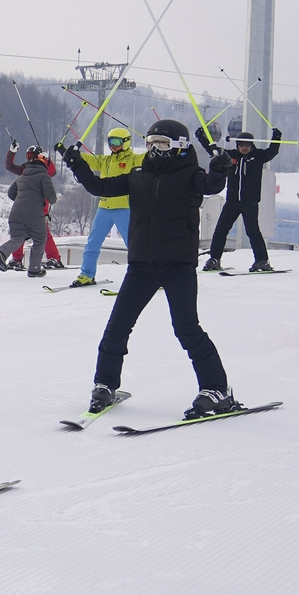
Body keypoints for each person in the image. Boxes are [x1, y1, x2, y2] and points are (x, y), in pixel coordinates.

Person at [61, 121, 245, 419]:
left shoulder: (191, 175)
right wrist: (77, 165)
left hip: (178, 266)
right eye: (151, 144)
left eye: (161, 144)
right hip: (141, 266)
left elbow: (212, 186)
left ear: (179, 146)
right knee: (117, 327)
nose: (155, 150)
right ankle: (105, 384)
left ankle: (216, 390)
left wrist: (221, 168)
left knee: (187, 329)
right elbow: (100, 187)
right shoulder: (138, 175)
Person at [202, 127, 282, 273]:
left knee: (252, 231)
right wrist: (202, 137)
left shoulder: (258, 156)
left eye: (247, 145)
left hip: (249, 202)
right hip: (232, 201)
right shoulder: (230, 156)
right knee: (220, 230)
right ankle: (214, 259)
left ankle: (262, 260)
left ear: (252, 145)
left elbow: (272, 151)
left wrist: (276, 137)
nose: (244, 148)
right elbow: (213, 150)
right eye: (241, 145)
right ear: (237, 145)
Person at [73, 127, 140, 287]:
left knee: (134, 244)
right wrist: (71, 154)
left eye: (116, 142)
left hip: (124, 208)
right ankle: (87, 274)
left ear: (126, 142)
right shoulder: (106, 161)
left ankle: (146, 274)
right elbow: (89, 160)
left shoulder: (133, 160)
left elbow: (148, 160)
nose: (113, 146)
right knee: (93, 242)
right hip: (104, 207)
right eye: (110, 142)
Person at [0, 143, 57, 276]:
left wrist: (23, 199)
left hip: (16, 212)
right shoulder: (44, 175)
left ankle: (2, 252)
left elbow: (11, 193)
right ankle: (35, 268)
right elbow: (52, 198)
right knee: (40, 238)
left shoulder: (22, 175)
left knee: (18, 238)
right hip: (35, 212)